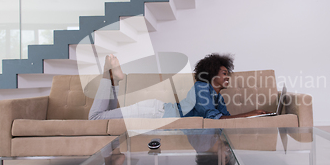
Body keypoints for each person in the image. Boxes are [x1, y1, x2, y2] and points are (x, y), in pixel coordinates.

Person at [88, 53, 268, 120]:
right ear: (212, 75)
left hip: (157, 112)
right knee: (96, 118)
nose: (227, 77)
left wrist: (254, 116)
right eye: (224, 73)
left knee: (106, 119)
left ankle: (115, 80)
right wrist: (248, 114)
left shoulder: (217, 97)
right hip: (155, 113)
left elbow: (227, 119)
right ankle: (107, 74)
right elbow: (212, 117)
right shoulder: (201, 88)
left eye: (227, 73)